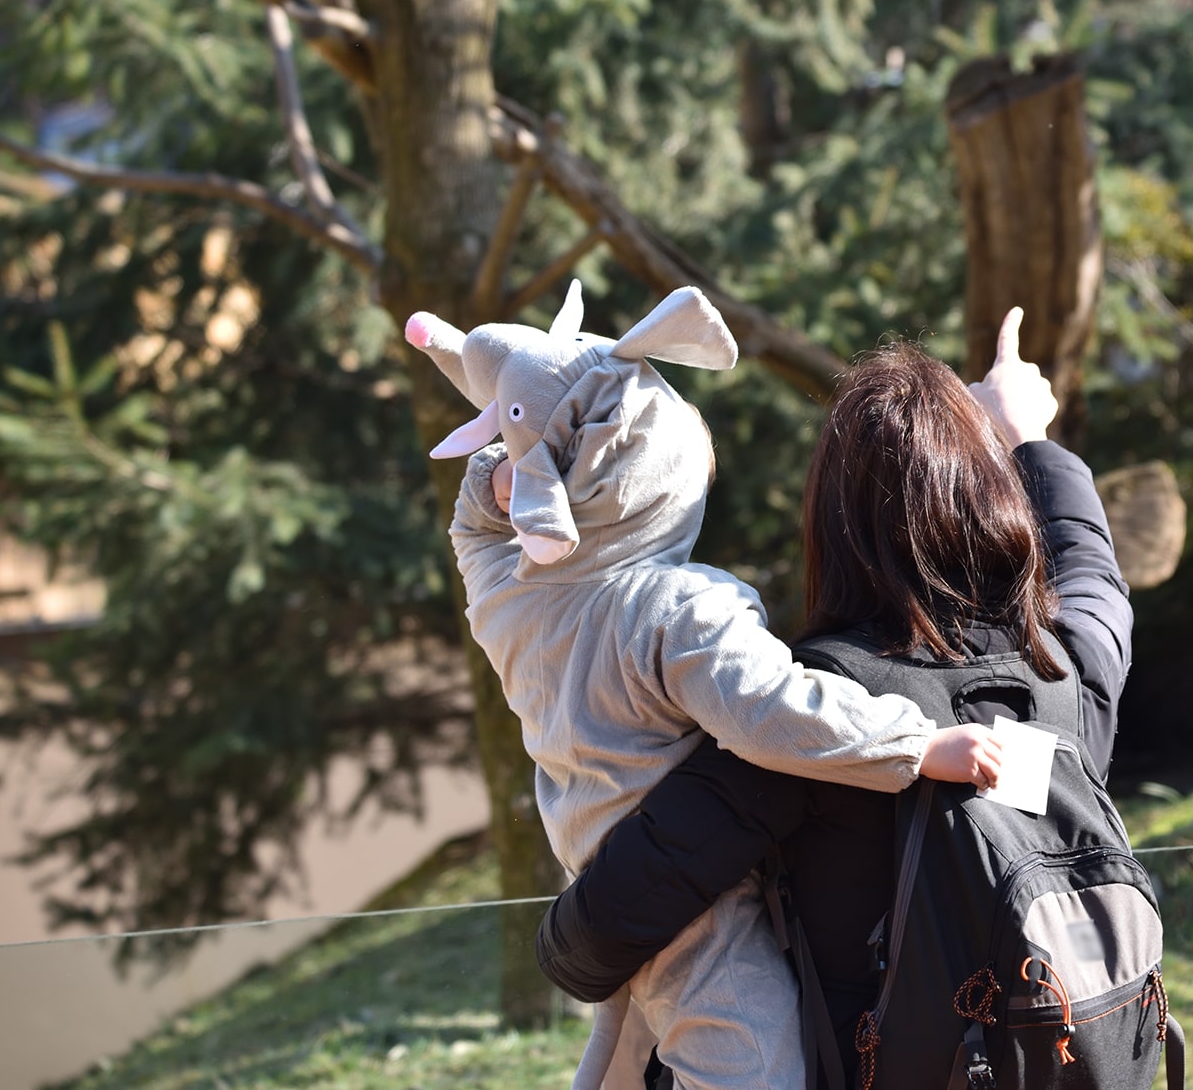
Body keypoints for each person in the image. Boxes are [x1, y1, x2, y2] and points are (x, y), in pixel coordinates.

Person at [426, 286, 1009, 1090]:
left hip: (601, 864)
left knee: (626, 1046)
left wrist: (508, 469)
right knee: (754, 1068)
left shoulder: (514, 599)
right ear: (650, 481)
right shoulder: (674, 611)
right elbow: (775, 712)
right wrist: (917, 745)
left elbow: (472, 527)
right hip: (695, 900)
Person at [537, 311, 1133, 1088]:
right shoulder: (1063, 678)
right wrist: (1024, 439)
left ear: (835, 525)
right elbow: (1094, 576)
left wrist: (553, 948)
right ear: (995, 496)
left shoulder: (817, 713)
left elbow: (615, 917)